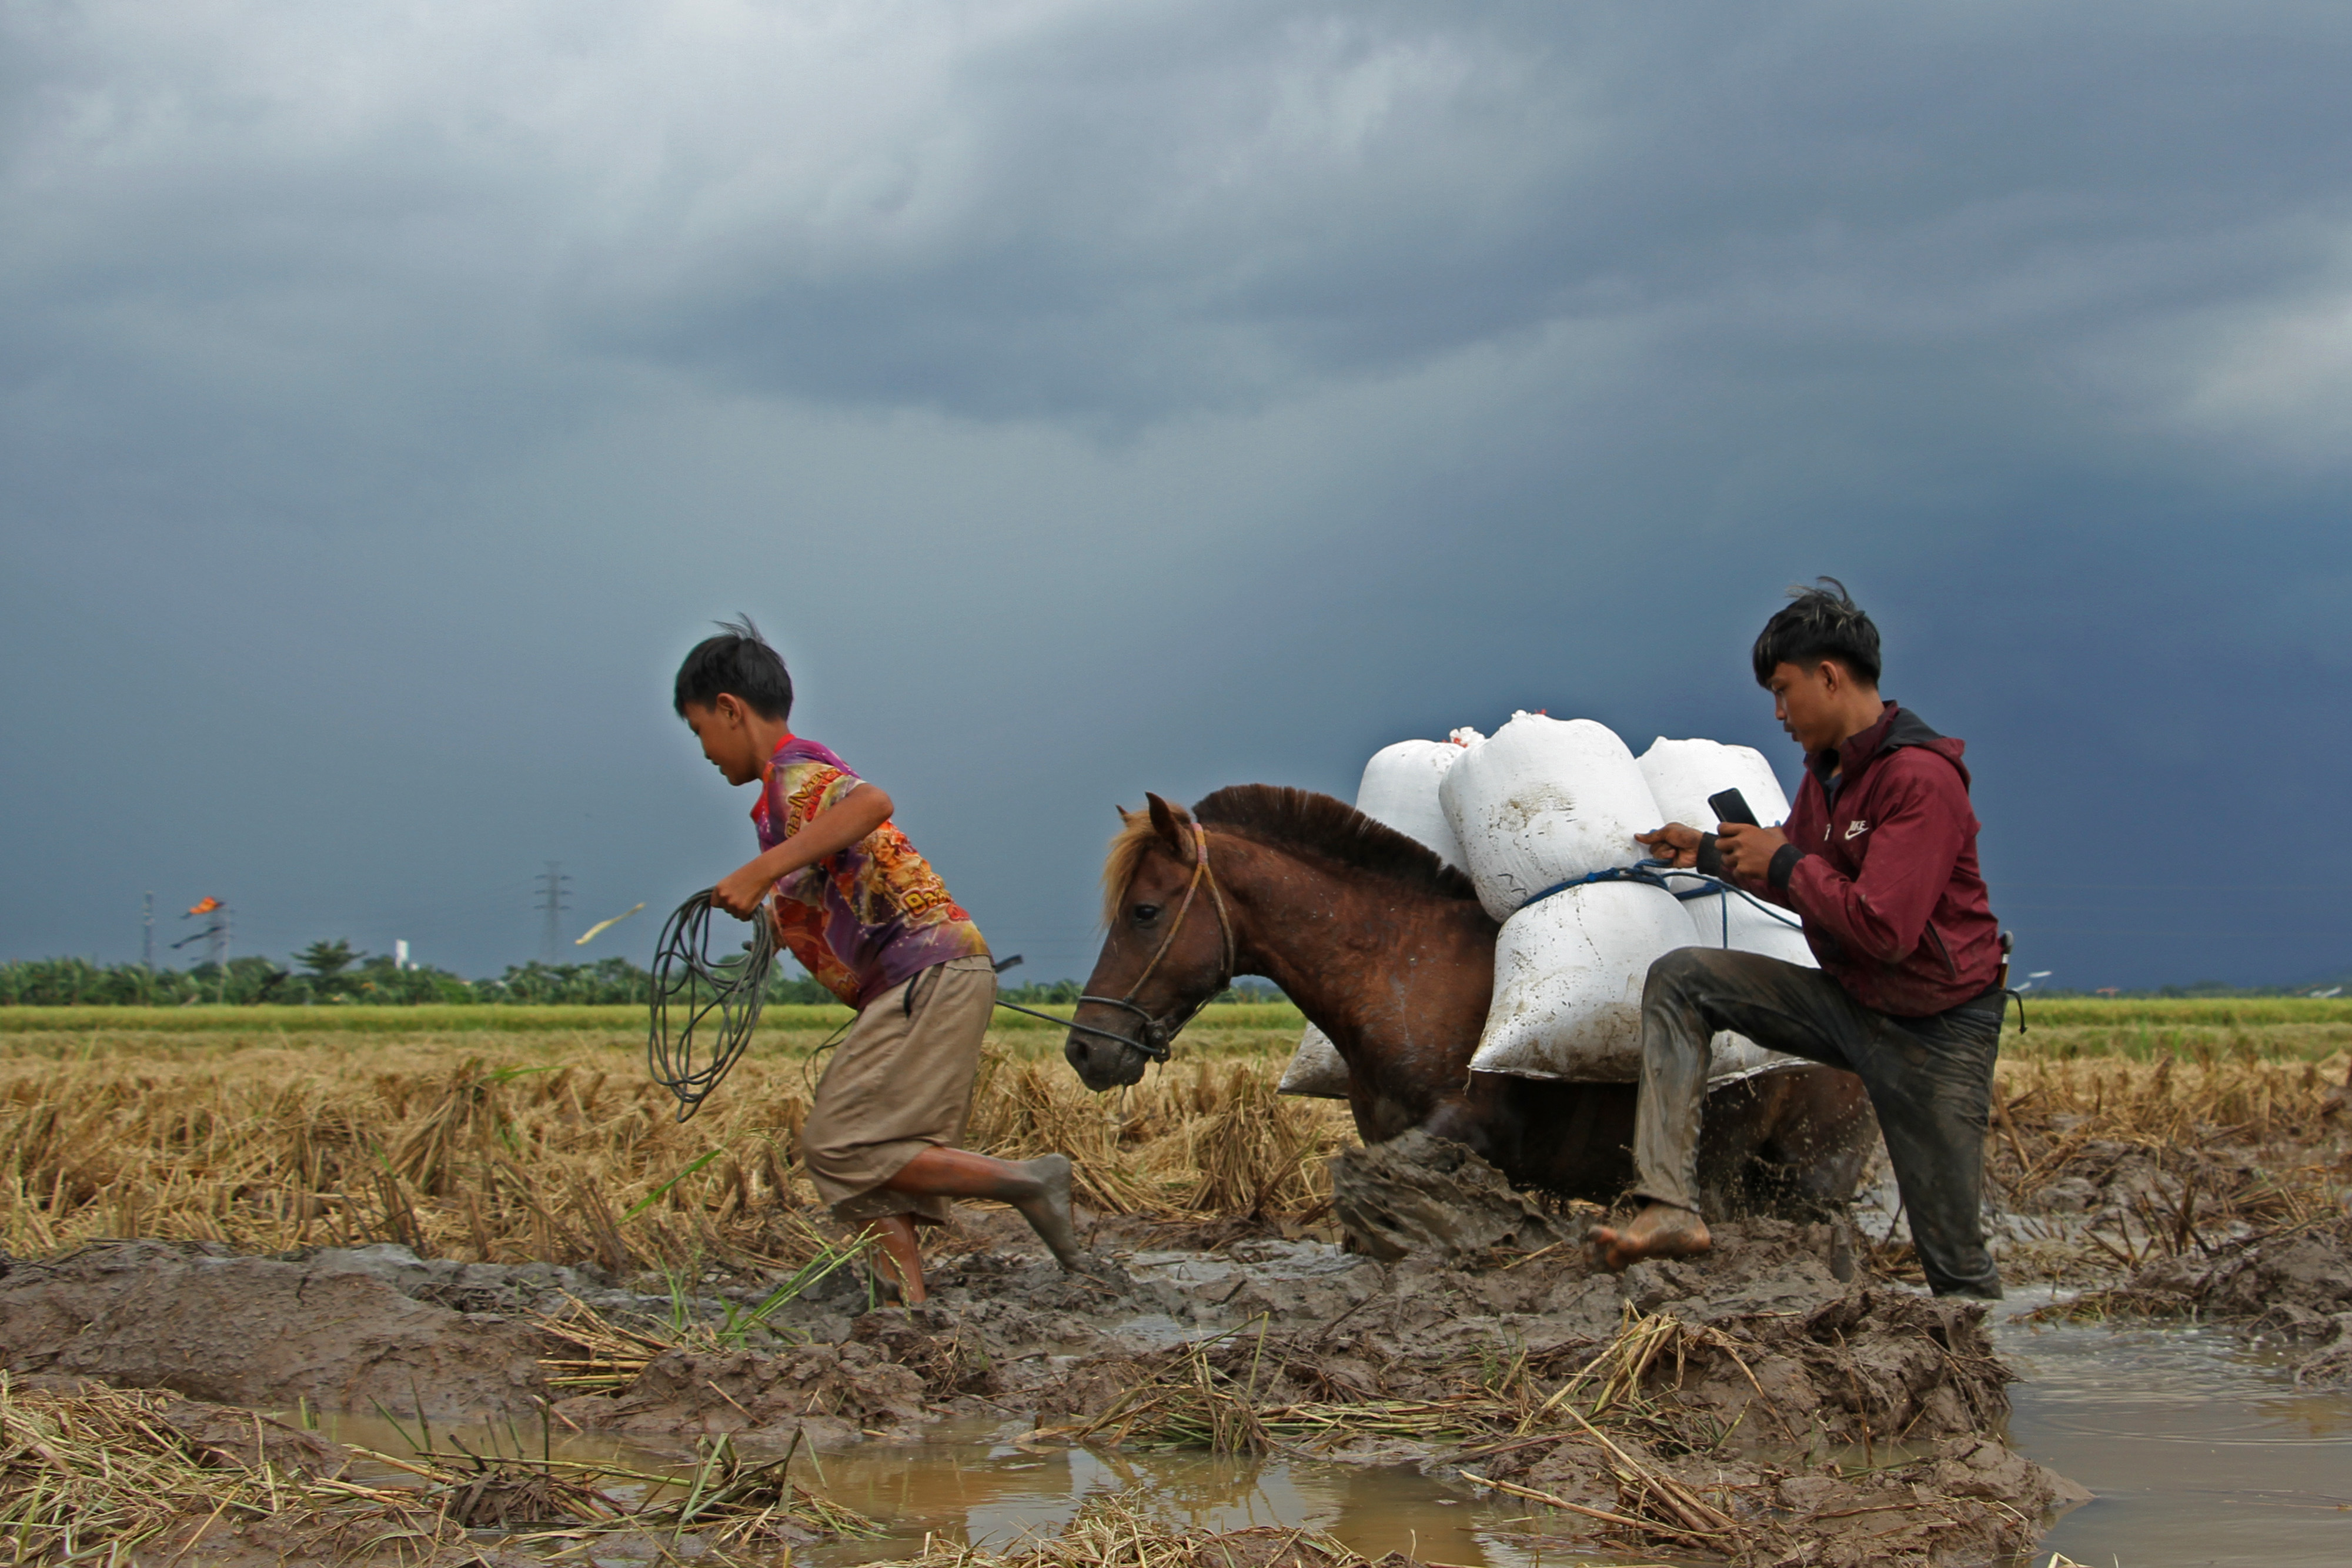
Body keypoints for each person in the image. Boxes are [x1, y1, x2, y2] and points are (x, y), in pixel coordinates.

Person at [1591, 580, 2008, 1298]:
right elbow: (1806, 871)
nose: (1779, 714)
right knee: (1683, 979)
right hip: (1852, 1005)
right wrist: (1710, 852)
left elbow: (1882, 926)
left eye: (1783, 692)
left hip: (1934, 1034)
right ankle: (1667, 1207)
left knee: (1955, 1265)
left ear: (1829, 675)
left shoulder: (1919, 779)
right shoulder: (1830, 775)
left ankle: (1983, 1385)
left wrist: (1783, 859)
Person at [674, 617, 1085, 1305]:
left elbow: (871, 803)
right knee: (868, 1152)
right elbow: (838, 890)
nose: (704, 752)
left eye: (699, 733)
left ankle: (1029, 1182)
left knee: (840, 1145)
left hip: (926, 974)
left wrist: (757, 872)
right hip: (917, 979)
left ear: (728, 710)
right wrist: (777, 919)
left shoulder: (797, 776)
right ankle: (906, 1308)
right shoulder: (781, 801)